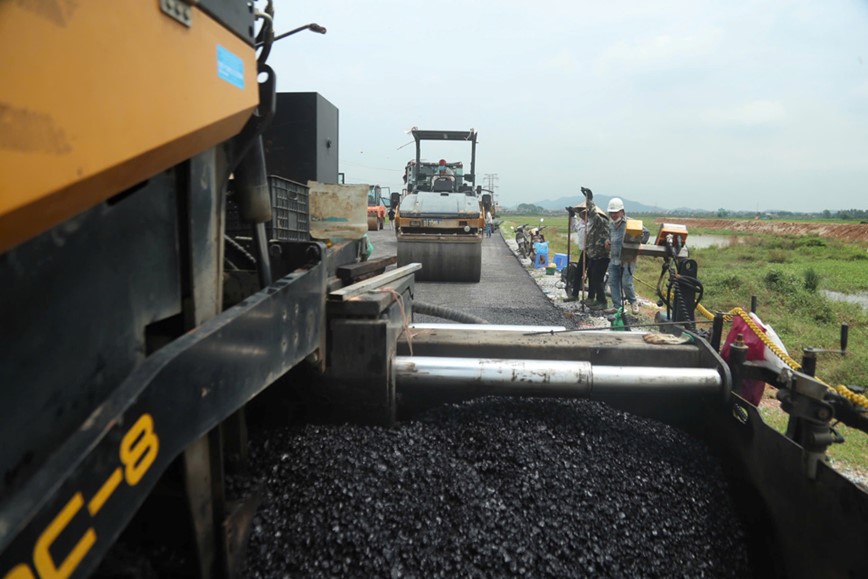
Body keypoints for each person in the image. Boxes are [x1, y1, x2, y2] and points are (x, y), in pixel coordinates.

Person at [602, 195, 640, 315]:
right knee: (613, 282)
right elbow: (610, 237)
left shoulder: (630, 223)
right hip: (614, 258)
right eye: (611, 213)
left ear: (622, 212)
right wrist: (607, 242)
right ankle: (617, 306)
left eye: (616, 213)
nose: (613, 215)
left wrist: (636, 242)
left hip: (628, 258)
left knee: (626, 282)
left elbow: (646, 233)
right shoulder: (611, 225)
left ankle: (633, 302)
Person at [576, 192, 612, 310]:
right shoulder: (592, 225)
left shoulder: (601, 222)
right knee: (592, 277)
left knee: (597, 279)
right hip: (593, 256)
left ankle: (602, 302)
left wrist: (589, 200)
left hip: (602, 256)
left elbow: (593, 214)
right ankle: (593, 299)